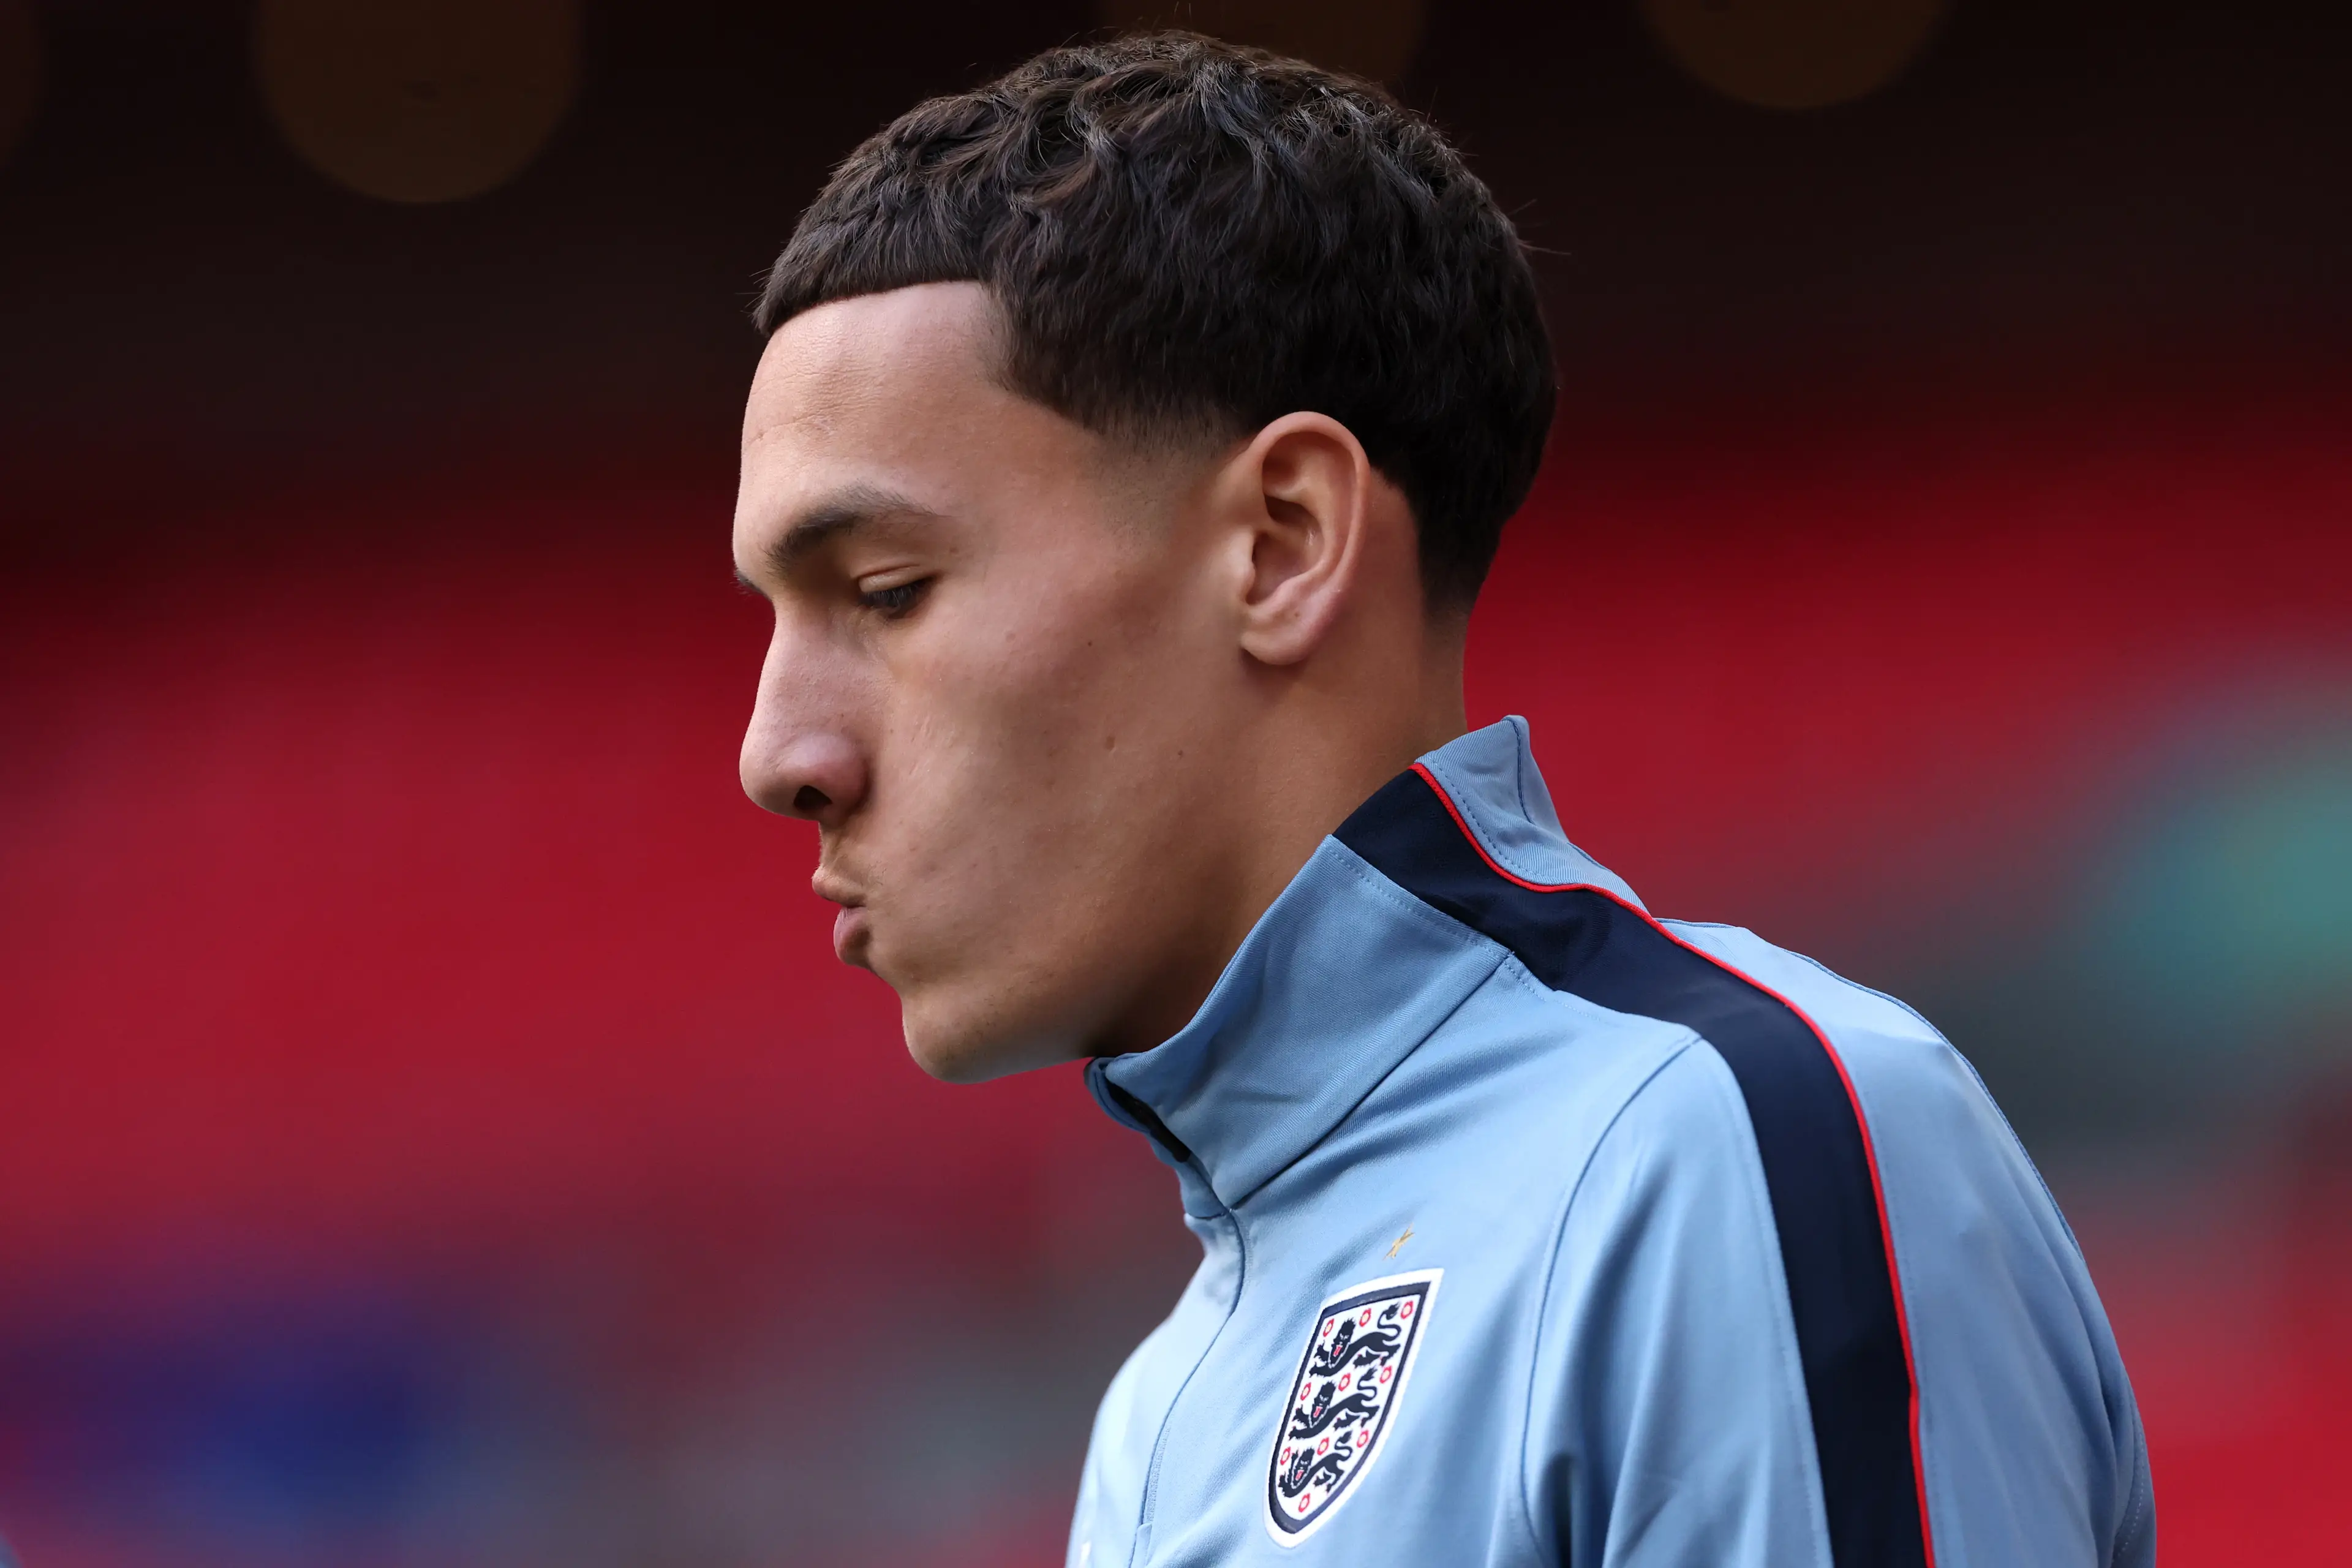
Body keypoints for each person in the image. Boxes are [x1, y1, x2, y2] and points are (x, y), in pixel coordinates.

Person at [731, 32, 2153, 1567]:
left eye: (885, 589)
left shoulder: (1714, 1147)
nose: (775, 751)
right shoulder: (1162, 1409)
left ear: (1282, 543)